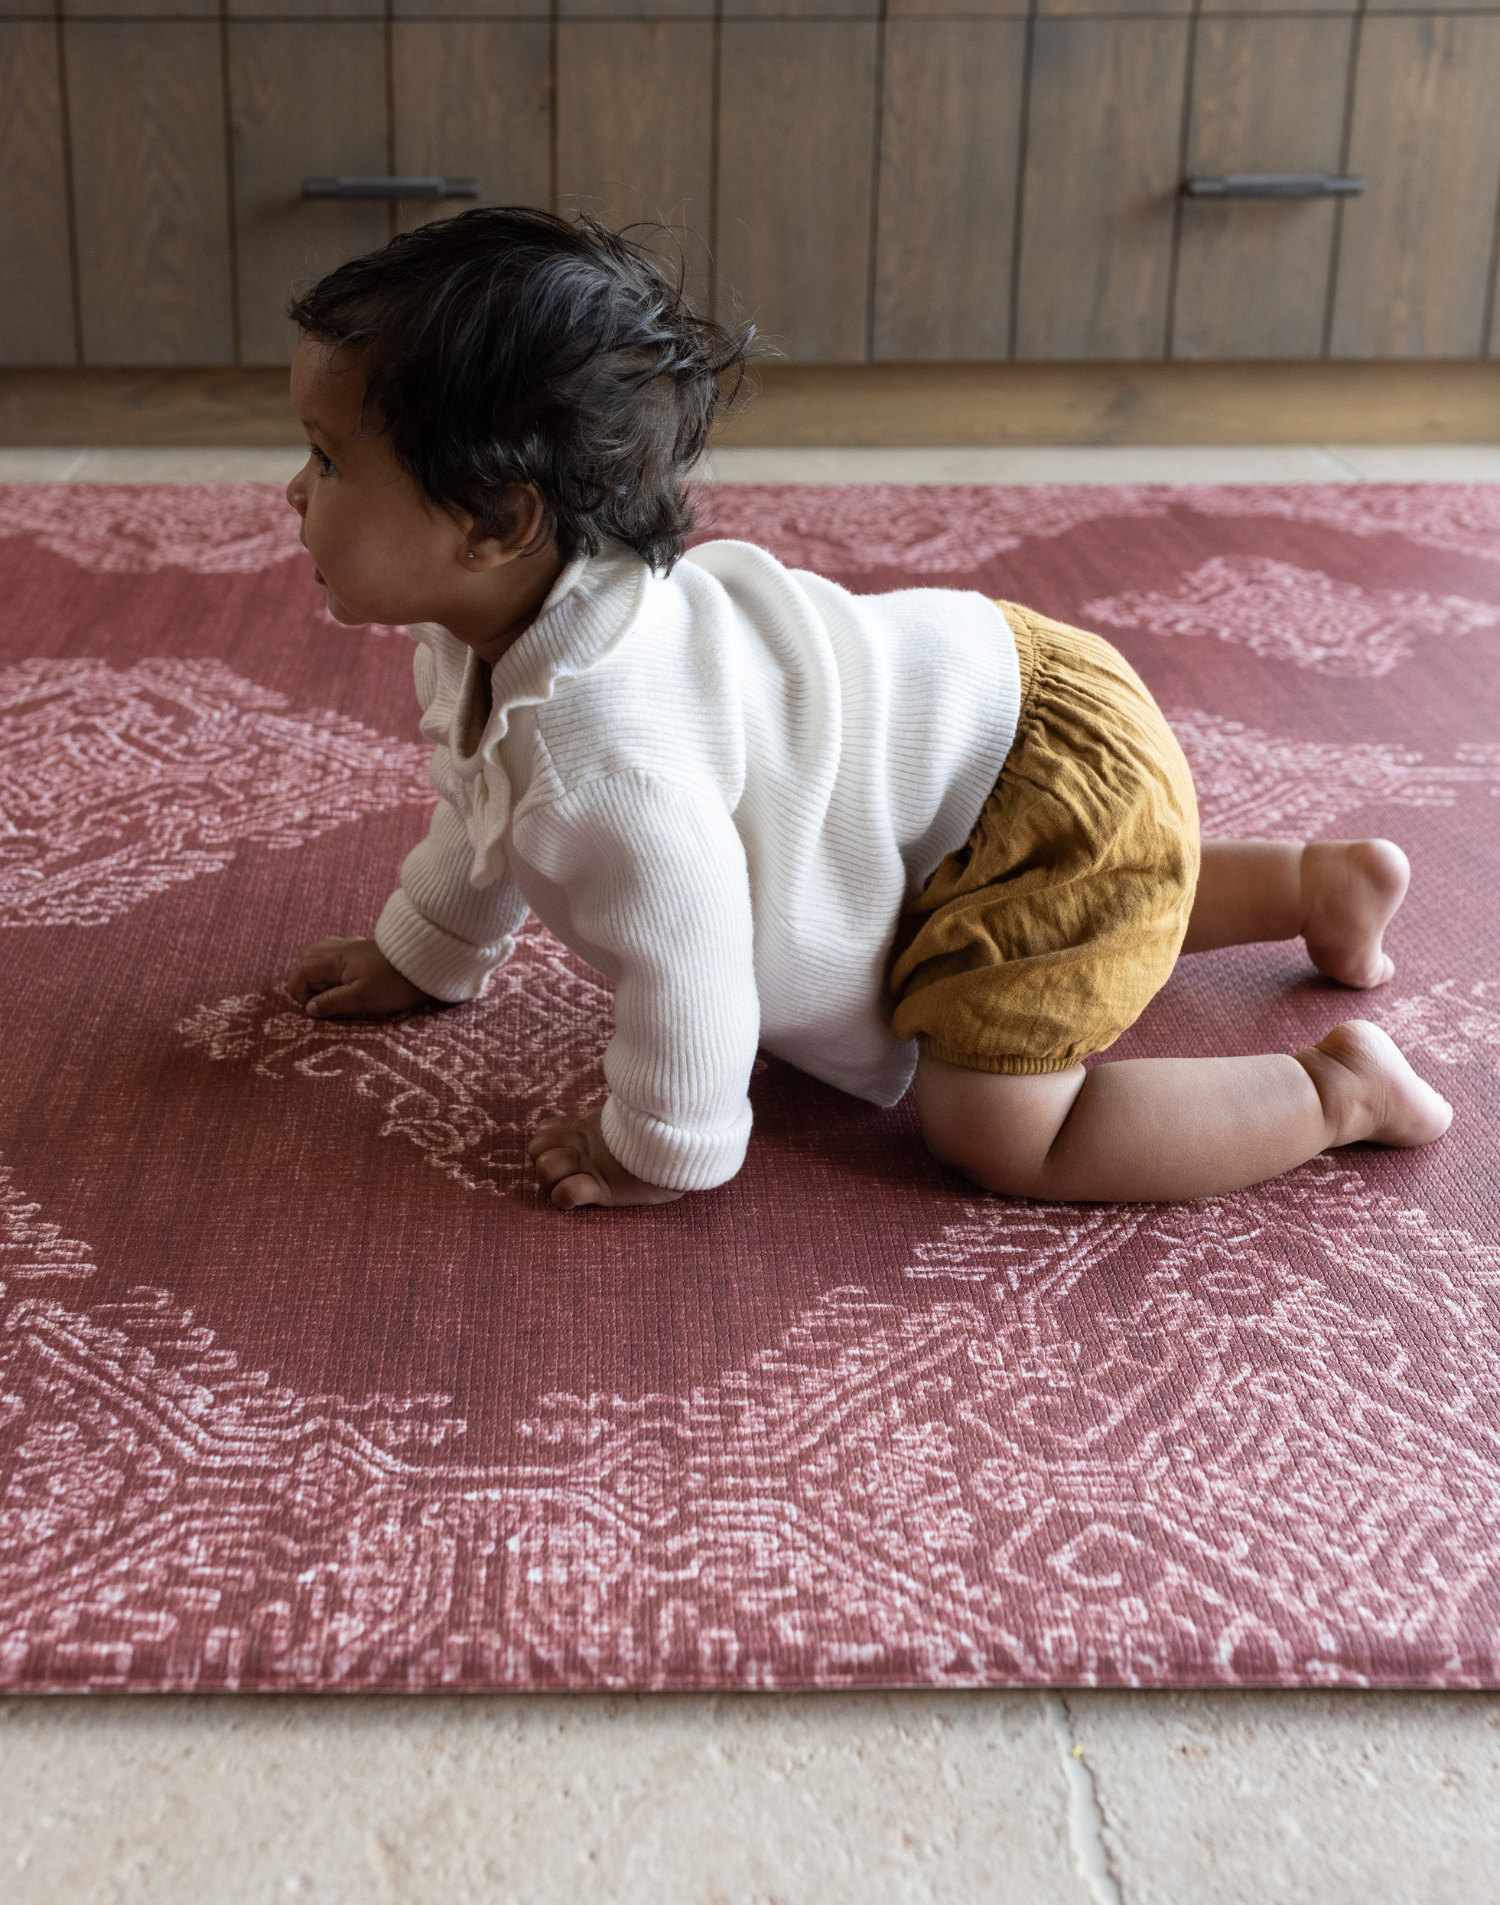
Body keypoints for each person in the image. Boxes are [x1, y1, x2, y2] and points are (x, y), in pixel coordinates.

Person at [281, 208, 1452, 1211]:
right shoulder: (497, 631)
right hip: (999, 716)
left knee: (998, 1130)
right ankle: (1317, 883)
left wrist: (654, 1149)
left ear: (496, 523)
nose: (291, 491)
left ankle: (1336, 1089)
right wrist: (427, 953)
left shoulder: (614, 766)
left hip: (1042, 776)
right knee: (1053, 906)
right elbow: (482, 803)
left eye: (327, 461)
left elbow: (696, 971)